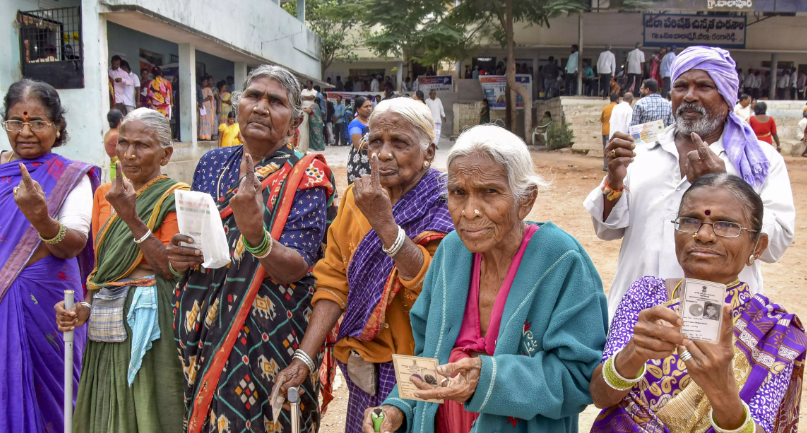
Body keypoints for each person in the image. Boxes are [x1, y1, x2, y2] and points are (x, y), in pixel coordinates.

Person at [362, 124, 608, 433]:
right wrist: (397, 407)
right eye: (458, 193)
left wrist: (489, 379)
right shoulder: (452, 252)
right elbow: (428, 357)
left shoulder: (562, 261)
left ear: (526, 199)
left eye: (489, 192)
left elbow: (578, 377)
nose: (470, 211)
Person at [171, 65, 337, 433]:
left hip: (270, 333)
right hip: (203, 326)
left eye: (275, 101)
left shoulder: (306, 175)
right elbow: (200, 239)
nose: (261, 107)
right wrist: (180, 253)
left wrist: (255, 235)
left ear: (295, 120)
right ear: (238, 107)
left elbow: (295, 267)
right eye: (253, 96)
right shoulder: (212, 164)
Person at [273, 97, 451, 433]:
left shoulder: (445, 203)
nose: (382, 154)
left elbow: (439, 293)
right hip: (365, 361)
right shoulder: (357, 198)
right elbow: (333, 279)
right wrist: (304, 357)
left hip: (426, 361)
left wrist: (386, 226)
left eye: (399, 143)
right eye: (375, 142)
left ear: (429, 152)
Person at [585, 46, 795, 321]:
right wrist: (614, 179)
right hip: (637, 315)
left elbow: (775, 244)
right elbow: (607, 231)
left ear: (727, 95)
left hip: (714, 317)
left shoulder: (760, 160)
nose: (690, 96)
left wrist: (723, 185)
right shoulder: (641, 146)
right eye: (681, 86)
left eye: (704, 86)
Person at [590, 173, 805, 433]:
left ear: (757, 247)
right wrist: (632, 354)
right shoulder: (646, 296)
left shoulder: (775, 332)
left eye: (726, 225)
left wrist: (724, 394)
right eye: (690, 221)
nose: (703, 235)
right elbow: (600, 396)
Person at [55, 108, 188, 433]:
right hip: (105, 324)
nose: (128, 154)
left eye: (142, 145)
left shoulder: (177, 197)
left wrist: (131, 216)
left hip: (152, 325)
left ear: (165, 154)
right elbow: (104, 271)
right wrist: (85, 307)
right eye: (123, 143)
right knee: (108, 413)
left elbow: (170, 269)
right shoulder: (105, 194)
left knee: (151, 409)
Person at [0, 78, 100, 433]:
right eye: (16, 122)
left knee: (57, 396)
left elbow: (72, 244)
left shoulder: (70, 176)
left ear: (58, 128)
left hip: (46, 302)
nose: (25, 131)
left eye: (38, 122)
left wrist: (40, 217)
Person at [347, 96, 372, 184]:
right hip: (359, 161)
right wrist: (375, 145)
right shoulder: (355, 123)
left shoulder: (370, 121)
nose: (369, 109)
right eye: (366, 107)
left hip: (370, 160)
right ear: (358, 109)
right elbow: (358, 145)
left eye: (370, 106)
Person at [104, 109, 124, 179]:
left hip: (114, 167)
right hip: (120, 170)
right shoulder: (116, 136)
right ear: (120, 121)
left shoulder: (107, 134)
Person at [601, 93, 619, 170]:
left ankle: (606, 166)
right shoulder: (618, 108)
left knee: (606, 148)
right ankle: (613, 165)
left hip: (605, 130)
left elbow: (602, 119)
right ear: (617, 100)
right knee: (614, 149)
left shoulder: (605, 108)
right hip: (613, 131)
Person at [299, 80, 317, 152]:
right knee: (303, 128)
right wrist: (307, 97)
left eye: (309, 84)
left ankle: (309, 145)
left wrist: (305, 97)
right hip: (303, 110)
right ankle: (302, 145)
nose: (308, 85)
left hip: (311, 111)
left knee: (310, 128)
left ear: (312, 85)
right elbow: (301, 97)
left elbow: (312, 98)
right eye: (307, 84)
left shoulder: (314, 91)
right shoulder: (303, 90)